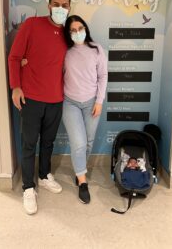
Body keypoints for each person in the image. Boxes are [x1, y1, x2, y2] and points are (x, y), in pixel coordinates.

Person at [8, 0, 71, 215]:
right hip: (31, 98)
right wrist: (16, 87)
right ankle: (28, 187)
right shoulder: (32, 25)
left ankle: (44, 175)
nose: (60, 9)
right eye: (56, 4)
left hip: (56, 99)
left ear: (69, 8)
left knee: (48, 142)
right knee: (28, 143)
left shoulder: (69, 34)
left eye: (65, 5)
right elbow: (15, 57)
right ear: (49, 5)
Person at [62, 15, 108, 204]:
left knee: (88, 142)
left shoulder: (96, 49)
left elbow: (103, 75)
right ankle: (82, 182)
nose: (77, 32)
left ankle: (79, 170)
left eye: (80, 28)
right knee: (79, 143)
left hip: (91, 102)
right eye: (73, 30)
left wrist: (99, 101)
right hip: (69, 102)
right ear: (68, 33)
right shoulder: (65, 51)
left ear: (86, 28)